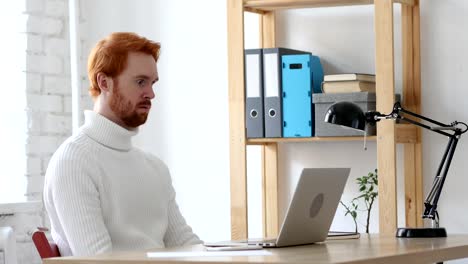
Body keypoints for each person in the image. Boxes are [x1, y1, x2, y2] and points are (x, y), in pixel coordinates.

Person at [43, 32, 202, 257]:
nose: (151, 93)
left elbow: (186, 245)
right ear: (104, 82)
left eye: (152, 82)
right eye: (140, 82)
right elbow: (99, 261)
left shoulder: (155, 168)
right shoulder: (73, 163)